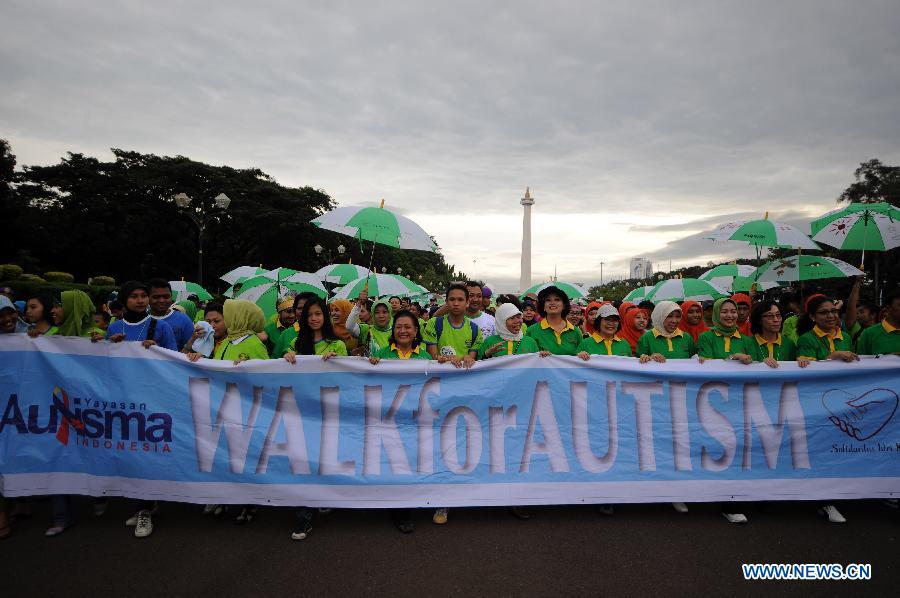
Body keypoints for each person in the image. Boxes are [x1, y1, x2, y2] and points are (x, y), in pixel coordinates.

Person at [283, 295, 347, 541]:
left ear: (325, 316)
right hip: (302, 416)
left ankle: (325, 498)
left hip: (329, 416)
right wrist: (287, 360)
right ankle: (304, 517)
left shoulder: (337, 345)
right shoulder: (295, 346)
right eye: (309, 315)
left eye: (318, 314)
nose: (314, 319)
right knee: (303, 464)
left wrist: (338, 363)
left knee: (324, 461)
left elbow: (347, 380)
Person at [367, 310, 432, 533]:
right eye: (399, 327)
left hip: (416, 422)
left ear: (416, 331)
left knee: (411, 463)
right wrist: (372, 366)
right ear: (393, 331)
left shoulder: (425, 358)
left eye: (407, 327)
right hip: (390, 421)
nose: (403, 331)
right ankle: (399, 510)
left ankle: (408, 504)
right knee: (393, 465)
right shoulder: (384, 355)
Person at [100, 281, 177, 352]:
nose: (140, 301)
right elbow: (106, 356)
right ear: (124, 300)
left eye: (144, 296)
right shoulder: (113, 327)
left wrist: (156, 350)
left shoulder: (162, 326)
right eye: (134, 296)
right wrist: (99, 344)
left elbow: (173, 358)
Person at [423, 284, 482, 368]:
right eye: (452, 299)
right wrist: (444, 358)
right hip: (438, 377)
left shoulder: (475, 329)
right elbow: (432, 358)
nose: (456, 303)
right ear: (446, 302)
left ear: (467, 303)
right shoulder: (434, 323)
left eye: (460, 299)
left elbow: (470, 361)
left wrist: (467, 358)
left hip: (463, 378)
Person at [795, 296, 859, 364]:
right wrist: (834, 356)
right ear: (812, 317)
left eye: (833, 311)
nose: (831, 316)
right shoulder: (806, 339)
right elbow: (809, 370)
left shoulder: (846, 337)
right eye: (823, 312)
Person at [524, 286, 582, 355]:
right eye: (548, 300)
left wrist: (583, 355)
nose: (552, 303)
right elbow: (526, 357)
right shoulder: (531, 331)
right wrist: (537, 355)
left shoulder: (575, 331)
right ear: (543, 306)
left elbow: (582, 356)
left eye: (557, 299)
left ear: (564, 305)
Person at [747, 300, 806, 368]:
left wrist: (799, 360)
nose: (776, 320)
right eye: (770, 316)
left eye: (778, 315)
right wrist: (761, 364)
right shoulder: (748, 343)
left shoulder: (789, 344)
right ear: (758, 320)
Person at [696, 299, 753, 365]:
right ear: (716, 313)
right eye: (724, 312)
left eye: (733, 312)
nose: (729, 315)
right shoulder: (706, 337)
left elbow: (755, 365)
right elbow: (708, 365)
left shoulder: (747, 340)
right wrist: (733, 357)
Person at [148, 279, 196, 351]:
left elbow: (192, 351)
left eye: (166, 297)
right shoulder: (139, 319)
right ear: (147, 297)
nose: (161, 301)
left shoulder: (184, 320)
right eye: (156, 297)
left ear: (171, 297)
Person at [271, 292, 319, 358]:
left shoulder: (328, 334)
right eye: (299, 308)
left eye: (307, 307)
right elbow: (274, 361)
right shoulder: (286, 334)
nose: (303, 311)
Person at [346, 291, 393, 356]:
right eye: (377, 312)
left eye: (385, 312)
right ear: (372, 314)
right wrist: (359, 303)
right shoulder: (367, 329)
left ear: (390, 314)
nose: (381, 316)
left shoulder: (396, 332)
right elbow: (349, 327)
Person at [855, 289, 900, 356]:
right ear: (888, 309)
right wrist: (889, 359)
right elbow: (861, 364)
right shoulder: (869, 334)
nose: (858, 315)